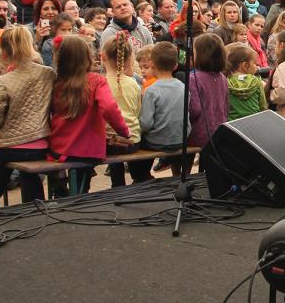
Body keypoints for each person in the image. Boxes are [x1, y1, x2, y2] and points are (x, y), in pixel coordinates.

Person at [0, 27, 56, 208]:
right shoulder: (48, 74)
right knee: (31, 180)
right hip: (40, 144)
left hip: (8, 147)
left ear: (4, 52)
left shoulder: (2, 82)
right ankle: (36, 214)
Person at [47, 35, 130, 196]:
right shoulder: (96, 80)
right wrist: (124, 131)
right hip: (87, 150)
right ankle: (78, 197)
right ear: (87, 57)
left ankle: (61, 188)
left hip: (59, 148)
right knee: (82, 183)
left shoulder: (56, 82)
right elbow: (109, 108)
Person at [99, 34, 150, 187]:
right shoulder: (133, 83)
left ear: (103, 57)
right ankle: (139, 178)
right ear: (129, 59)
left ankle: (118, 184)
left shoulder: (100, 83)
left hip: (107, 143)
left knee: (112, 137)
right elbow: (137, 111)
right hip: (132, 141)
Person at [140, 42, 185, 160]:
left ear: (152, 64)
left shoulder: (152, 90)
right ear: (175, 66)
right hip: (181, 139)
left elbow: (145, 124)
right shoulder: (183, 87)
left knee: (135, 142)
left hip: (157, 141)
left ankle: (141, 176)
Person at [186, 33, 228, 149]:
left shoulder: (193, 78)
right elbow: (226, 108)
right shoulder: (223, 78)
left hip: (199, 134)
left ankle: (181, 167)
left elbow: (194, 110)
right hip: (219, 133)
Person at [227, 43, 268, 121]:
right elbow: (263, 107)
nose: (258, 67)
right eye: (255, 64)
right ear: (245, 65)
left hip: (232, 126)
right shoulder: (256, 81)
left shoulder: (225, 82)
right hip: (254, 123)